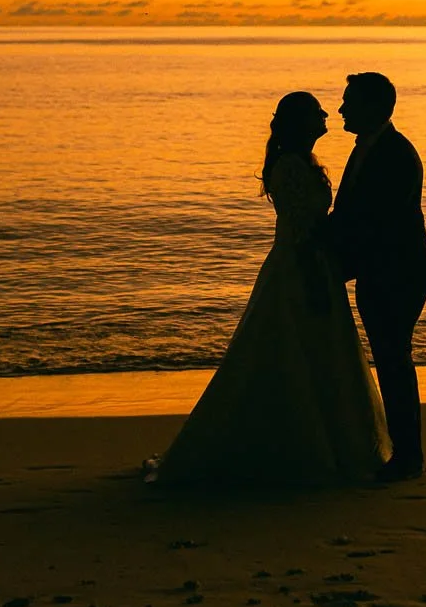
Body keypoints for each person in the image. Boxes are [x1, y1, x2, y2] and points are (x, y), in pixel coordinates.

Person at [147, 91, 389, 487]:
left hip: (317, 265)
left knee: (319, 353)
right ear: (300, 122)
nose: (328, 113)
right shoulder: (290, 167)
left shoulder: (305, 162)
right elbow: (300, 232)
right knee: (292, 349)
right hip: (300, 267)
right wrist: (315, 277)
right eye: (317, 111)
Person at [329, 71, 426, 481]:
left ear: (374, 107)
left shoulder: (394, 154)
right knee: (391, 359)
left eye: (349, 101)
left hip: (398, 273)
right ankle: (404, 452)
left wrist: (335, 260)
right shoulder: (370, 148)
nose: (341, 108)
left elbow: (377, 224)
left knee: (393, 360)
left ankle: (408, 456)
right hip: (383, 271)